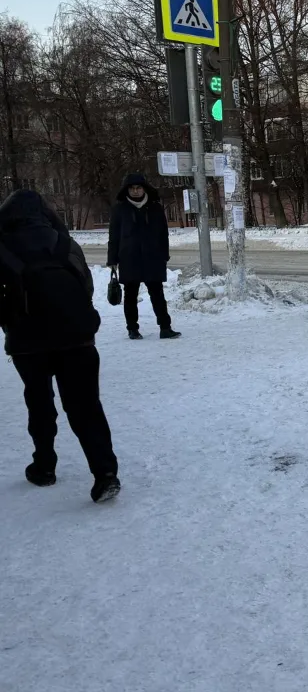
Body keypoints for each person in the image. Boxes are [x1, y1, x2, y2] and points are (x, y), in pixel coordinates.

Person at [0, 191, 119, 502]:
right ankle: (105, 473)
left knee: (39, 402)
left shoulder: (3, 246)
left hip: (28, 342)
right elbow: (85, 285)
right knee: (86, 406)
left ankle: (44, 466)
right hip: (77, 338)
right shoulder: (65, 243)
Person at [108, 173, 179, 340]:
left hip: (153, 257)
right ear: (127, 190)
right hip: (129, 258)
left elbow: (163, 234)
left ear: (144, 188)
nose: (135, 191)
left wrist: (164, 255)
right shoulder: (120, 209)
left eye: (138, 188)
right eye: (132, 188)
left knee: (157, 294)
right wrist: (112, 260)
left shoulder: (155, 208)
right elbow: (114, 236)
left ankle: (165, 327)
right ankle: (132, 329)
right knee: (130, 295)